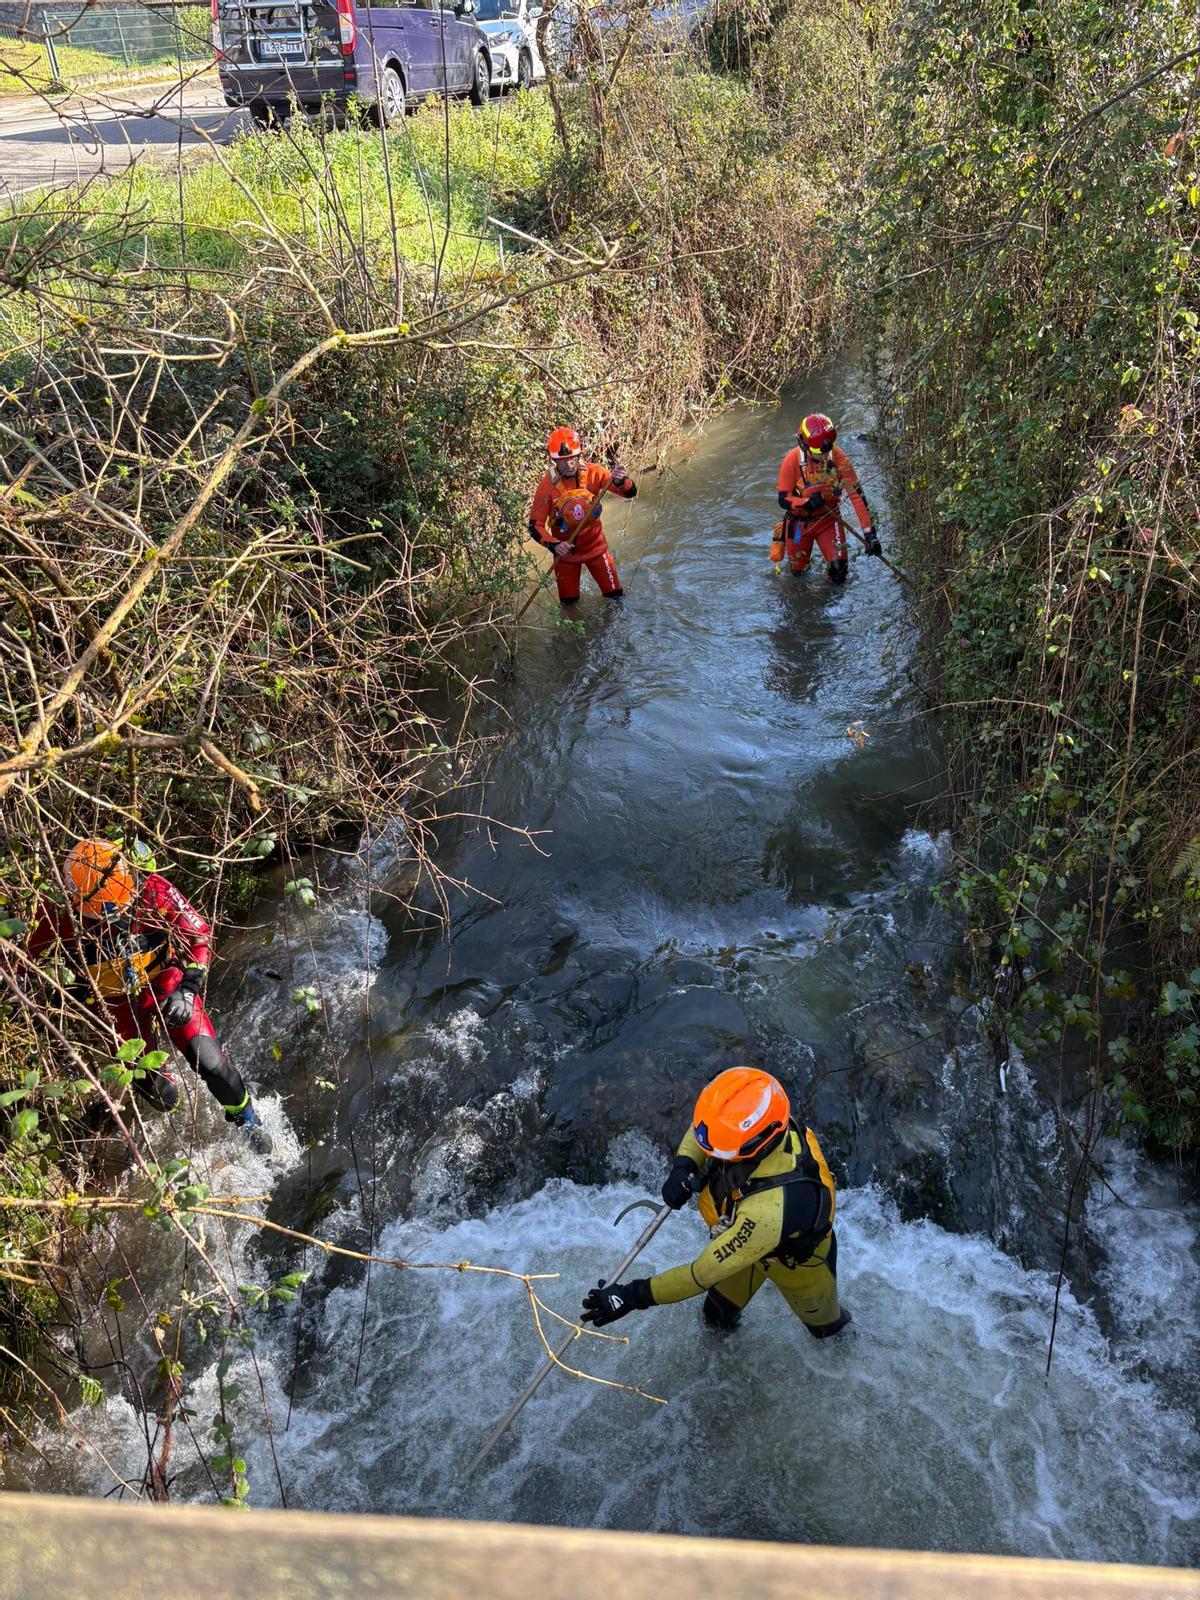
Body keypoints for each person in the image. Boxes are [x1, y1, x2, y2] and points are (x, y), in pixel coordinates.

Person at [26, 839, 269, 1150]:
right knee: (163, 1097)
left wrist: (188, 988)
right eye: (99, 915)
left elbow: (198, 935)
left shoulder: (153, 889)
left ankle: (248, 1120)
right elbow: (17, 960)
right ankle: (167, 1092)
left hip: (164, 982)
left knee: (211, 1064)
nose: (111, 921)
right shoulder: (59, 912)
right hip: (112, 1002)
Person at [580, 1067, 850, 1339]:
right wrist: (684, 1166)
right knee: (716, 1317)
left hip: (797, 1266)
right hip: (748, 1243)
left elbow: (700, 1274)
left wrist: (629, 1296)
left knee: (827, 1333)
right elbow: (705, 1130)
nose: (710, 1148)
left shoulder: (769, 1212)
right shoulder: (765, 1116)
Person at [528, 427, 637, 604]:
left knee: (616, 599)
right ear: (553, 460)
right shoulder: (546, 486)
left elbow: (630, 493)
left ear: (579, 455)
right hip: (565, 557)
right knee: (569, 605)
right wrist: (554, 545)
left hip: (597, 550)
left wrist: (621, 481)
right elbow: (534, 526)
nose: (568, 464)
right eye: (562, 460)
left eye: (572, 458)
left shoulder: (595, 472)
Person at [776, 413, 881, 585]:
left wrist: (870, 534)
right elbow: (783, 499)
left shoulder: (839, 457)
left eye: (827, 451)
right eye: (819, 453)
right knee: (797, 575)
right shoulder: (791, 460)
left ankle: (829, 589)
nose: (825, 457)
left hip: (828, 520)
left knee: (839, 572)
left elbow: (857, 496)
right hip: (798, 524)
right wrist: (806, 503)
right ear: (803, 444)